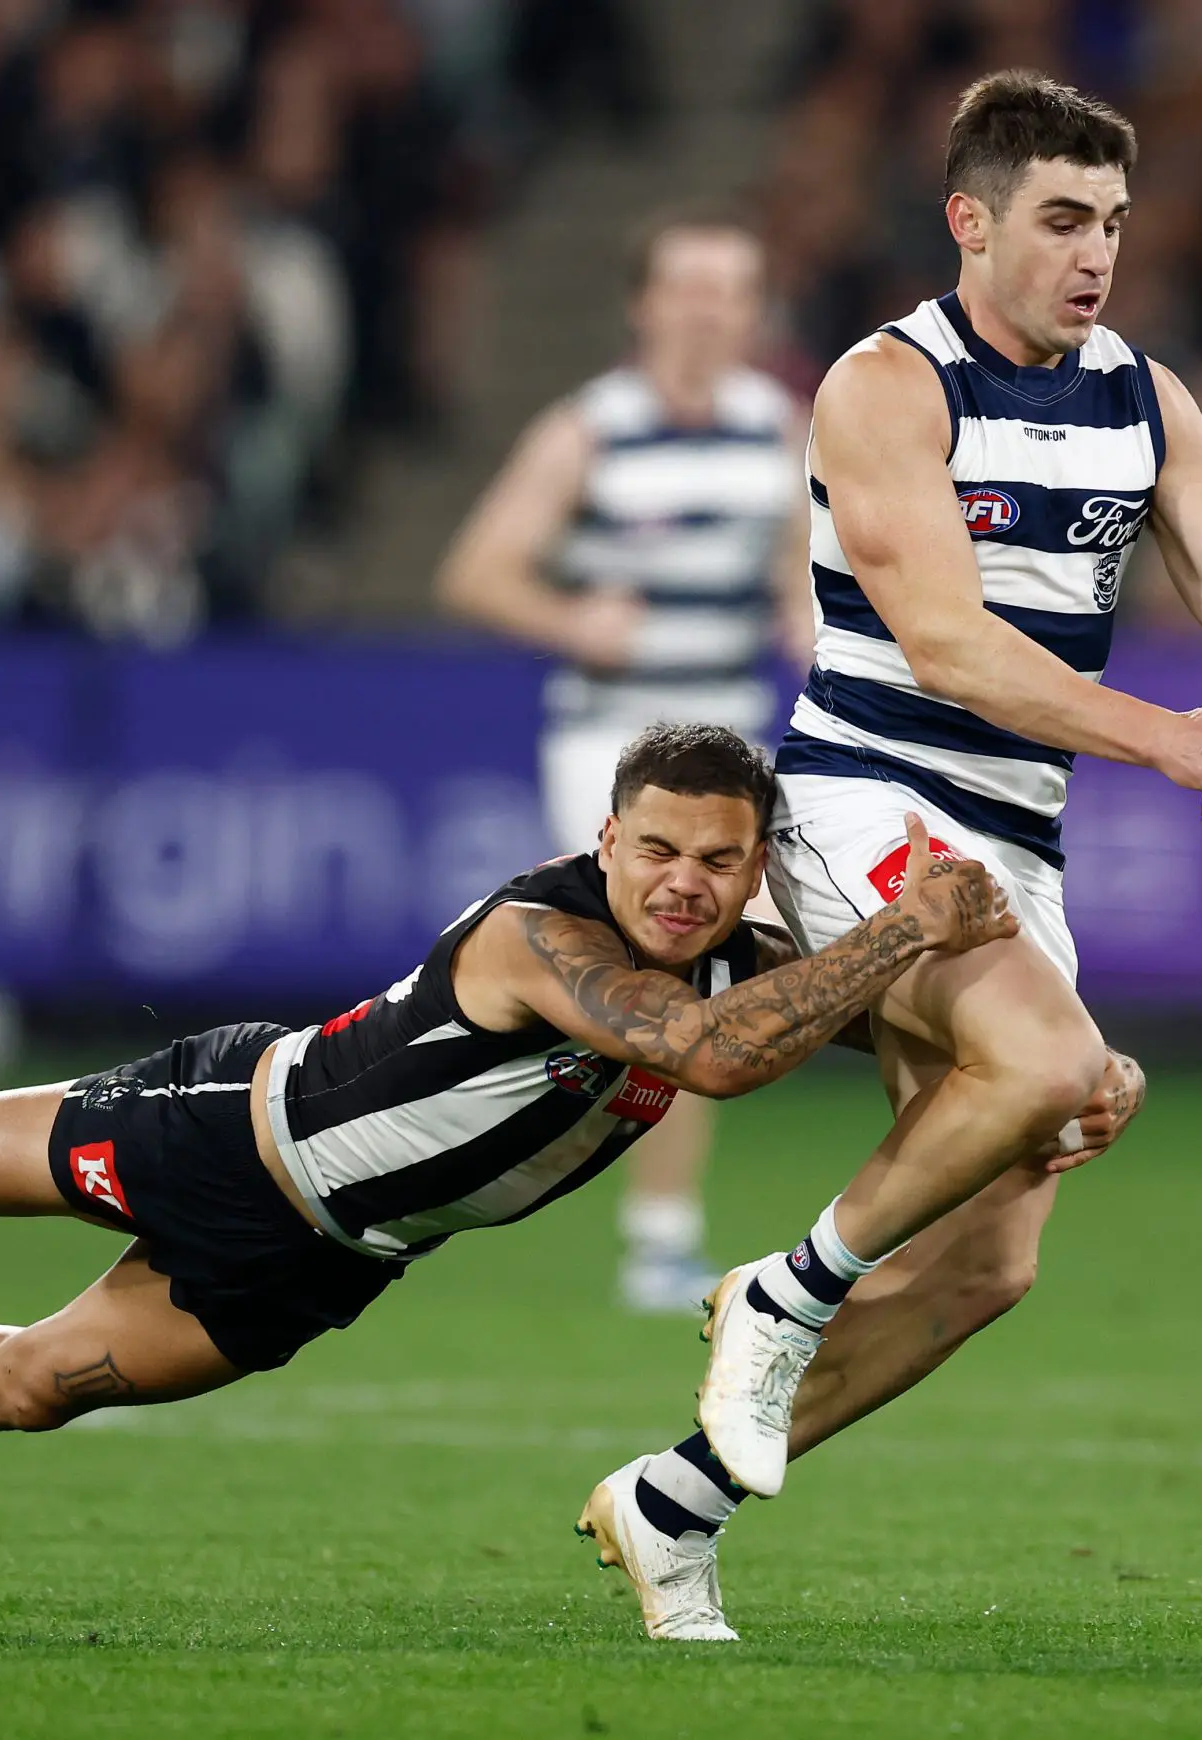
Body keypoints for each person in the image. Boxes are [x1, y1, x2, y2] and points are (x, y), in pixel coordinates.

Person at [0, 728, 1061, 1648]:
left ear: (753, 878)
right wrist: (900, 937)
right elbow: (715, 1056)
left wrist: (1055, 1077)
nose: (680, 881)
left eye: (716, 862)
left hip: (332, 1257)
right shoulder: (542, 934)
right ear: (606, 838)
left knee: (31, 1390)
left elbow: (896, 1038)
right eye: (656, 848)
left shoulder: (744, 960)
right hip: (225, 1131)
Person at [582, 71, 1202, 1637]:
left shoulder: (1146, 398)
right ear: (972, 224)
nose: (1094, 250)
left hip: (1017, 834)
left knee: (991, 1265)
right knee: (1051, 1067)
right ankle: (780, 1293)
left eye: (1112, 220)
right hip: (868, 796)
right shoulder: (885, 386)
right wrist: (1174, 740)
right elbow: (949, 645)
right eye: (1060, 219)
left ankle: (673, 1505)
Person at [438, 212, 810, 1313]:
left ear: (752, 310)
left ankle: (654, 1231)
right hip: (612, 747)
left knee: (696, 980)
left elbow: (795, 569)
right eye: (688, 288)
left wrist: (808, 620)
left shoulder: (775, 427)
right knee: (646, 983)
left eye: (729, 290)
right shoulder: (588, 431)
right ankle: (617, 1217)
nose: (707, 310)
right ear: (645, 305)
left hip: (735, 742)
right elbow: (478, 572)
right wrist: (570, 618)